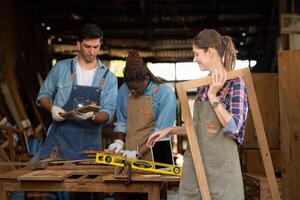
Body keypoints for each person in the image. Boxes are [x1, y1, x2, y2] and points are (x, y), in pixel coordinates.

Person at [147, 29, 249, 199]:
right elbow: (197, 128)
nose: (194, 59)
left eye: (196, 54)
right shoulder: (203, 85)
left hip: (221, 172)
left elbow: (234, 127)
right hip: (196, 167)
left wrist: (213, 96)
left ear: (210, 52)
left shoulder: (235, 82)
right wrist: (169, 130)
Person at [36, 23, 118, 161]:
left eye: (95, 47)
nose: (91, 51)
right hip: (59, 143)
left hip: (90, 146)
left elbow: (108, 113)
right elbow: (43, 96)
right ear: (78, 45)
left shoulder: (109, 78)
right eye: (87, 47)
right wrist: (52, 109)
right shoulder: (61, 68)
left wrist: (93, 116)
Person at [108, 51, 176, 160]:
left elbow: (159, 133)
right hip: (130, 150)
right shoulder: (123, 90)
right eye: (130, 88)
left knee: (158, 177)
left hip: (158, 152)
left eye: (137, 88)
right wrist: (119, 142)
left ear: (146, 79)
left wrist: (137, 152)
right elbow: (121, 122)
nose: (133, 91)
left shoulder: (165, 94)